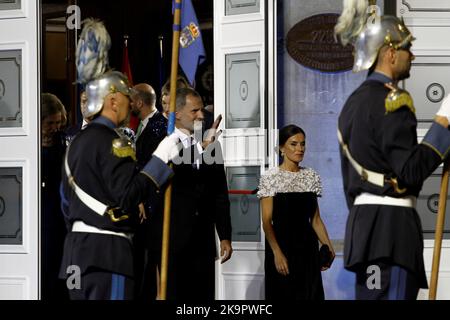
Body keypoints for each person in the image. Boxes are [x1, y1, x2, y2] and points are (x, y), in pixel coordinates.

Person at [335, 1, 450, 300]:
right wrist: (443, 125)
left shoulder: (352, 104)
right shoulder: (393, 100)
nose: (412, 55)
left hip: (365, 228)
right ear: (389, 53)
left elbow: (351, 182)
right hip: (392, 233)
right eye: (407, 47)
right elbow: (409, 172)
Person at [59, 18, 180, 300]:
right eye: (128, 95)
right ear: (112, 101)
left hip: (76, 255)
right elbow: (126, 196)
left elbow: (66, 202)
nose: (132, 102)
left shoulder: (77, 142)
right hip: (108, 256)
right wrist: (161, 159)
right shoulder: (115, 141)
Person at [152, 87, 233, 300]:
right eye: (194, 111)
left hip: (203, 240)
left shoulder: (210, 144)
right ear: (177, 113)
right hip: (173, 239)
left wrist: (224, 235)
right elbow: (166, 173)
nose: (201, 115)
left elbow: (219, 194)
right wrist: (202, 147)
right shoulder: (163, 140)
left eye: (201, 111)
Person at [257, 124, 335, 300]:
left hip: (307, 250)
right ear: (282, 148)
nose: (300, 148)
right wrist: (277, 253)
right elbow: (267, 222)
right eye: (294, 144)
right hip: (281, 247)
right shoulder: (270, 177)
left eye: (303, 144)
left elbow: (315, 219)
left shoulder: (311, 176)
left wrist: (328, 246)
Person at [129, 83, 167, 300]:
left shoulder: (159, 126)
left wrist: (142, 198)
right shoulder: (143, 125)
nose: (129, 104)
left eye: (131, 100)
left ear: (139, 102)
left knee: (151, 257)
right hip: (142, 202)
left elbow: (154, 168)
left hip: (152, 205)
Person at [41, 93, 69, 300]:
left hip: (59, 214)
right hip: (37, 214)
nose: (55, 128)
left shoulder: (63, 143)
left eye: (58, 122)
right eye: (50, 123)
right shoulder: (27, 144)